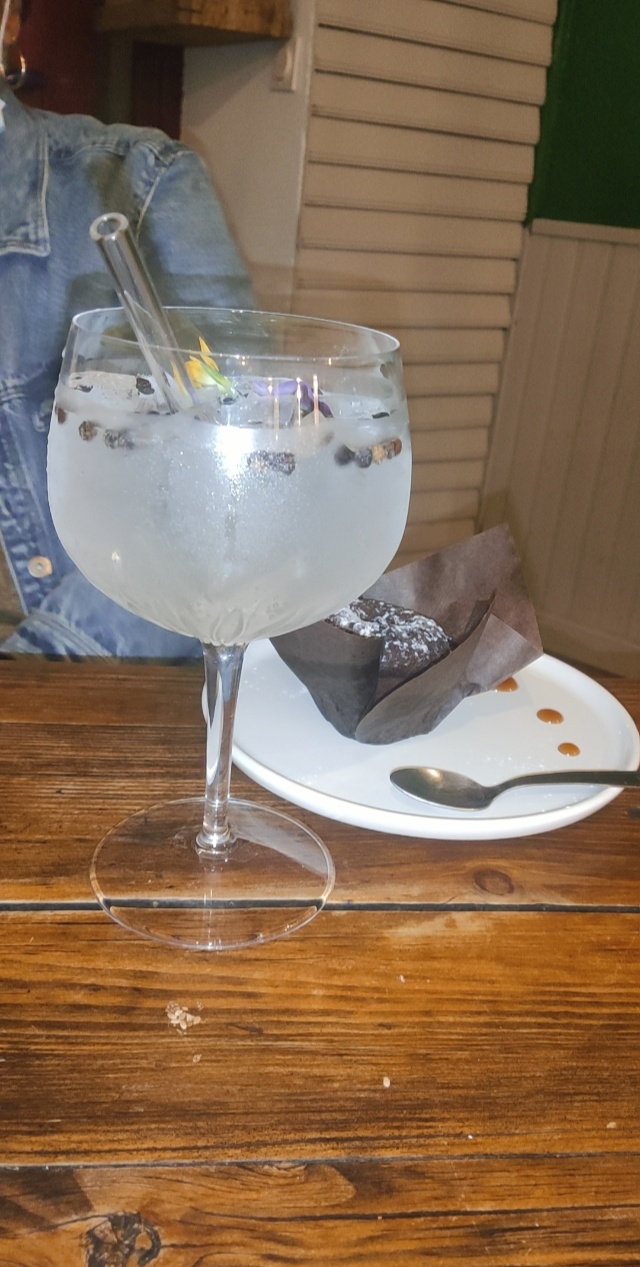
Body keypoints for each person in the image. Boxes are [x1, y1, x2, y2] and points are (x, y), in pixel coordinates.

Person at [0, 0, 253, 658]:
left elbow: (230, 502)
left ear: (8, 17)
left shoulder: (143, 186)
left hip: (80, 685)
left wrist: (32, 676)